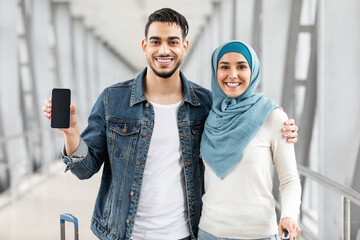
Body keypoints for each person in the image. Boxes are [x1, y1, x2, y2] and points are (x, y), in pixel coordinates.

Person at [42, 8, 299, 240]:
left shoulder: (205, 104)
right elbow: (84, 170)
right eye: (156, 42)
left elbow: (240, 116)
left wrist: (278, 121)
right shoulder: (113, 100)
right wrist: (71, 134)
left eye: (172, 42)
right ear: (144, 46)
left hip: (186, 234)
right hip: (123, 234)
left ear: (185, 46)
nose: (164, 50)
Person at [198, 41, 302, 240]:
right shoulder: (206, 116)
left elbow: (290, 180)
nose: (233, 74)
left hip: (259, 233)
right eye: (224, 67)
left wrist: (289, 215)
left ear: (253, 70)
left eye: (241, 66)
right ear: (215, 71)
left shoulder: (273, 117)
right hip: (209, 232)